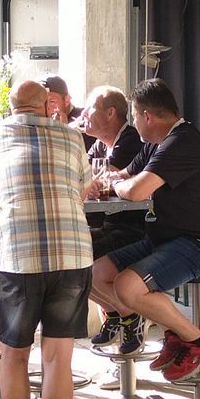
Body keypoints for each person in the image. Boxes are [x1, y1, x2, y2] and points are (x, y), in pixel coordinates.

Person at [86, 78, 200, 382]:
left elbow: (136, 189)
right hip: (169, 237)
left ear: (147, 116)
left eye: (134, 116)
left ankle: (197, 341)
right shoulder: (155, 144)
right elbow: (122, 174)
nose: (133, 124)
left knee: (128, 287)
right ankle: (172, 333)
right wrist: (117, 180)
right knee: (94, 274)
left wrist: (116, 184)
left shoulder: (181, 142)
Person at [0, 79, 92, 399]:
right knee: (58, 356)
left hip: (19, 258)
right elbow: (83, 189)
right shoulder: (72, 135)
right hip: (72, 256)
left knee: (14, 354)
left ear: (9, 108)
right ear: (47, 106)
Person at [79, 85, 148, 354]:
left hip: (137, 228)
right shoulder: (100, 144)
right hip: (110, 224)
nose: (83, 113)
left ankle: (128, 314)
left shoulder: (129, 140)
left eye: (90, 108)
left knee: (79, 264)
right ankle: (119, 314)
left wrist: (90, 180)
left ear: (110, 113)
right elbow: (83, 177)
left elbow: (97, 179)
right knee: (70, 262)